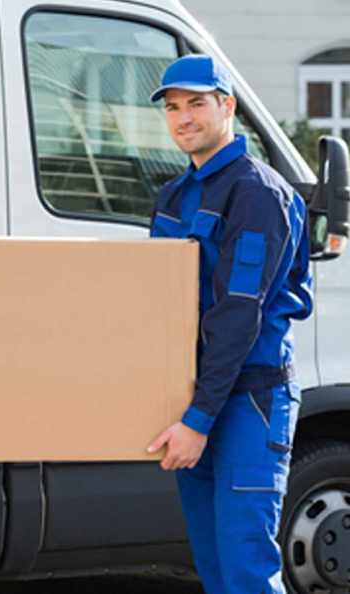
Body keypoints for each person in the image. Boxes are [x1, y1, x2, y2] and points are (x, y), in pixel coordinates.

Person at [147, 54, 313, 594]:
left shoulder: (257, 194)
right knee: (215, 567)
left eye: (197, 103)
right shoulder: (173, 196)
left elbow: (239, 316)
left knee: (244, 568)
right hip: (196, 399)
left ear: (228, 107)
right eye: (173, 107)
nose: (183, 118)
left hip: (248, 402)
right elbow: (155, 303)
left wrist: (198, 419)